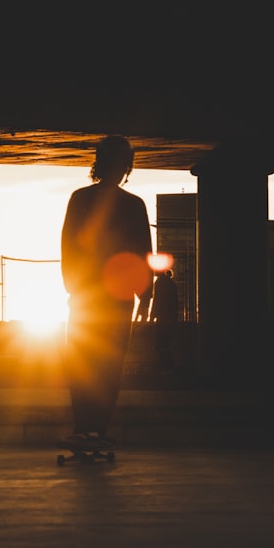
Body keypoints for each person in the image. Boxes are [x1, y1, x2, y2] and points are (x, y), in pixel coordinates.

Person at [59, 135, 154, 449]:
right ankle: (97, 427)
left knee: (83, 361)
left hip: (87, 296)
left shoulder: (80, 199)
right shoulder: (133, 204)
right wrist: (145, 294)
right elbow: (143, 252)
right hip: (118, 298)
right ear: (126, 167)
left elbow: (68, 246)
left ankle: (84, 425)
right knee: (109, 365)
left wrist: (73, 286)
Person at [150, 269, 179, 369]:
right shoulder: (171, 283)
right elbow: (175, 301)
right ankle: (168, 364)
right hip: (170, 316)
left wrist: (152, 315)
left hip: (162, 316)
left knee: (160, 342)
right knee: (166, 341)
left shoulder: (159, 282)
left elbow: (156, 299)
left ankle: (165, 364)